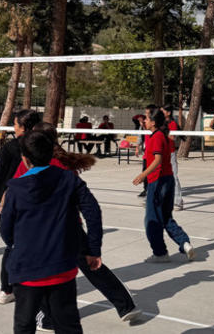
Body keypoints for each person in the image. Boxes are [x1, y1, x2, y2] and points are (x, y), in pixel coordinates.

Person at [31, 123, 142, 329]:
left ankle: (47, 319)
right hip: (71, 227)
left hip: (51, 230)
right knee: (93, 267)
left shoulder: (43, 166)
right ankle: (126, 305)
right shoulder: (63, 162)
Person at [0, 131, 103, 334]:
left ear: (25, 159)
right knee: (68, 325)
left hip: (27, 269)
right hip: (62, 266)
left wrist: (16, 245)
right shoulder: (68, 179)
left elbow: (6, 229)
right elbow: (93, 212)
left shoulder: (16, 188)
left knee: (24, 325)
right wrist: (93, 249)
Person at [0, 109, 41, 304]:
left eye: (15, 124)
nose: (14, 127)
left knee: (12, 246)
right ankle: (24, 286)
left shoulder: (13, 146)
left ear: (23, 127)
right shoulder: (42, 145)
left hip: (11, 202)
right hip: (30, 202)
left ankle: (7, 289)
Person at [133, 106, 195, 263]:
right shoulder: (160, 135)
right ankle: (184, 243)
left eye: (146, 118)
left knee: (152, 220)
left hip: (158, 182)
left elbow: (158, 160)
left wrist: (142, 175)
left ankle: (160, 253)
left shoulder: (157, 137)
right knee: (166, 217)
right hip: (167, 181)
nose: (144, 121)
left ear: (153, 122)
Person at [161, 106, 184, 210]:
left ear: (168, 113)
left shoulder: (172, 123)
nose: (161, 113)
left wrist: (164, 131)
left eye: (163, 111)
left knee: (173, 177)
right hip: (160, 153)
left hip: (170, 153)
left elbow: (172, 137)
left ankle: (178, 201)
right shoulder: (160, 123)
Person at [133, 115, 148, 198]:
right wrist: (137, 148)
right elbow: (139, 138)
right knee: (144, 171)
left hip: (153, 153)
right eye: (139, 121)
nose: (141, 123)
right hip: (146, 153)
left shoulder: (150, 128)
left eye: (142, 121)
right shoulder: (141, 128)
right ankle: (146, 189)